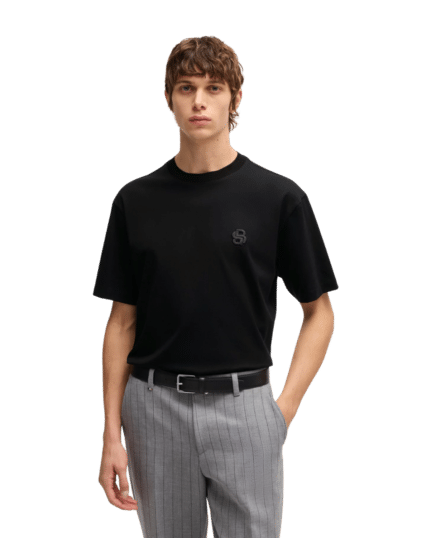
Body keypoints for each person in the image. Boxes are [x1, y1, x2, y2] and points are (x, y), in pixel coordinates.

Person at [92, 35, 339, 538]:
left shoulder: (279, 197)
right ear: (169, 98)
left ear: (234, 98)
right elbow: (121, 323)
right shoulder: (134, 201)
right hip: (154, 410)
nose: (199, 101)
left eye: (214, 87)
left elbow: (319, 312)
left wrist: (283, 409)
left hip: (246, 405)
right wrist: (111, 435)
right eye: (186, 87)